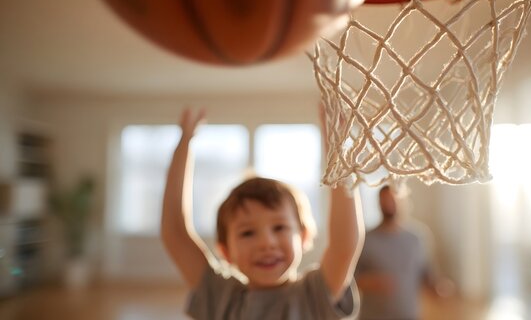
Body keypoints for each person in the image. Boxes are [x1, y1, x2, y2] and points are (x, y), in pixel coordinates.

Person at [161, 108, 364, 320]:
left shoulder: (314, 293)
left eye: (280, 227)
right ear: (226, 251)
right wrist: (185, 142)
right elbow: (175, 233)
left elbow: (345, 244)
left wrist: (336, 144)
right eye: (247, 233)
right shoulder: (220, 295)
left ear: (304, 236)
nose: (267, 243)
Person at [355, 185, 455, 320]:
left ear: (403, 201)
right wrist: (371, 282)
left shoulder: (418, 237)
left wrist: (439, 289)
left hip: (408, 315)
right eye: (385, 200)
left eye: (393, 199)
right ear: (379, 203)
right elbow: (351, 280)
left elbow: (427, 276)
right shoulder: (365, 239)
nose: (389, 204)